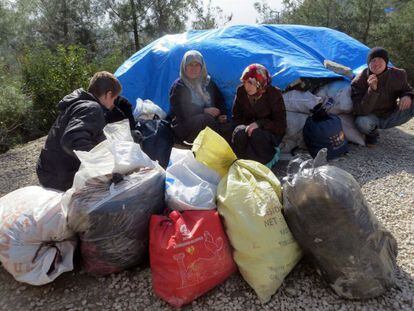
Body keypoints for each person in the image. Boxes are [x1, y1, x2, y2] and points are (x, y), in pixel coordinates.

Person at [36, 71, 122, 191]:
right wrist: (103, 167)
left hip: (48, 171)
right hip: (61, 177)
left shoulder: (78, 104)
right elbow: (72, 140)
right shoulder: (92, 108)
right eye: (114, 99)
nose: (113, 104)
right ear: (108, 94)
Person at [351, 47, 414, 146]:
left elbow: (408, 89)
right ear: (368, 64)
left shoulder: (398, 74)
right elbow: (360, 111)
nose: (376, 64)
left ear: (386, 62)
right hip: (371, 117)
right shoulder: (360, 80)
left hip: (391, 115)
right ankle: (372, 134)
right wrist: (372, 90)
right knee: (361, 122)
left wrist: (407, 96)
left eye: (380, 60)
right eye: (373, 61)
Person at [169, 50, 231, 143]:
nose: (194, 68)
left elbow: (220, 100)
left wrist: (221, 114)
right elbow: (181, 110)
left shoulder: (207, 82)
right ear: (184, 67)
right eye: (190, 65)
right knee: (205, 119)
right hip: (184, 125)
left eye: (197, 65)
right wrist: (204, 110)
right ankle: (213, 147)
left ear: (202, 67)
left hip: (209, 121)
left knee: (230, 126)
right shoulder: (179, 86)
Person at [231, 64, 286, 166]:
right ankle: (242, 164)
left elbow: (281, 126)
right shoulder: (241, 91)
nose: (247, 86)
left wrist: (260, 123)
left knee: (256, 134)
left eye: (251, 82)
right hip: (247, 128)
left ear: (260, 82)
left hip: (269, 133)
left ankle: (260, 166)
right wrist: (246, 127)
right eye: (245, 82)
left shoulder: (274, 94)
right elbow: (236, 117)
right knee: (239, 132)